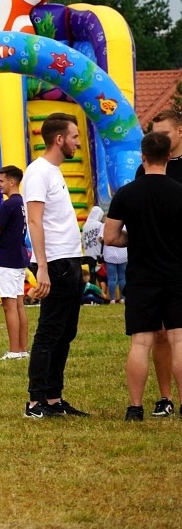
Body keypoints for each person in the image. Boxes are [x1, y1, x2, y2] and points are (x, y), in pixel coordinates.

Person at [105, 130, 182, 421]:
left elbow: (110, 237)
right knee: (178, 340)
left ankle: (135, 407)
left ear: (143, 157)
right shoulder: (179, 192)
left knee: (140, 343)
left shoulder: (126, 193)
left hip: (141, 276)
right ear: (169, 157)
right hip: (176, 274)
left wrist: (134, 239)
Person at [24, 113, 88, 419]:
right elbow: (34, 220)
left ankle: (53, 398)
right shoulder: (38, 172)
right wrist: (43, 268)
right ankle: (35, 402)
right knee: (49, 332)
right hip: (55, 263)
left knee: (66, 332)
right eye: (74, 136)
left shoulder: (55, 172)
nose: (78, 142)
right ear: (59, 139)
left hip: (70, 260)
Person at [133, 109, 182, 418]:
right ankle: (165, 398)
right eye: (154, 134)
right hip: (152, 267)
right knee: (162, 335)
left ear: (179, 132)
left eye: (163, 133)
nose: (158, 139)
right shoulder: (145, 171)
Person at [0, 165, 30, 361]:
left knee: (9, 305)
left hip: (7, 260)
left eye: (2, 180)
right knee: (19, 305)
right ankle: (22, 348)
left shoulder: (8, 205)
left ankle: (14, 350)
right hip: (20, 257)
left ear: (12, 182)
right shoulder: (21, 203)